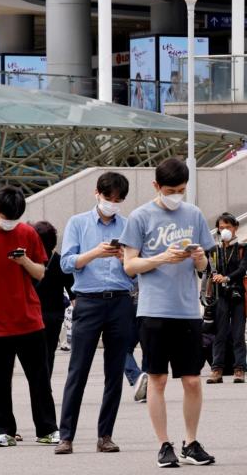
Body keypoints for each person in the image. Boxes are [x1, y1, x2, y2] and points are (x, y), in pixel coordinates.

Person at [122, 157, 217, 467]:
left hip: (188, 310)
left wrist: (201, 258)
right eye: (171, 190)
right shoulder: (139, 217)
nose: (177, 195)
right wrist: (161, 258)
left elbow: (204, 267)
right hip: (153, 310)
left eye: (181, 189)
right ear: (156, 187)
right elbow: (130, 265)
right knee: (158, 379)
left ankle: (191, 442)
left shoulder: (194, 214)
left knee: (192, 380)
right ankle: (164, 444)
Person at [0, 185, 58, 448]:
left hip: (29, 318)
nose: (10, 223)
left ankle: (48, 429)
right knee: (0, 380)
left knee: (39, 378)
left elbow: (40, 272)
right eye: (6, 217)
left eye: (14, 218)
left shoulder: (27, 233)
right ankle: (3, 430)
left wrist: (24, 261)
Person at [55, 171, 134, 455]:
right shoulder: (77, 222)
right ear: (96, 193)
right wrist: (94, 253)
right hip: (87, 301)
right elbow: (66, 263)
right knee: (78, 369)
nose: (113, 203)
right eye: (108, 197)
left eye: (118, 199)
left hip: (121, 301)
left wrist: (125, 258)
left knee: (114, 371)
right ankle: (66, 436)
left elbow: (137, 273)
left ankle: (106, 435)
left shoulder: (128, 226)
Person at [206, 212, 246, 384]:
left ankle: (239, 370)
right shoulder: (214, 250)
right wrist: (215, 276)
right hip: (220, 296)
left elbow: (243, 269)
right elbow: (209, 269)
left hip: (237, 295)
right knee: (219, 334)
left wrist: (227, 278)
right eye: (221, 228)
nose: (225, 231)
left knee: (238, 334)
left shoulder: (243, 248)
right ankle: (217, 370)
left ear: (235, 227)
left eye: (228, 227)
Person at [32, 222, 74, 380]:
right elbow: (72, 291)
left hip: (32, 315)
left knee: (34, 354)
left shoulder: (29, 263)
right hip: (54, 316)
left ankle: (38, 385)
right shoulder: (60, 261)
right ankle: (45, 385)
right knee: (49, 352)